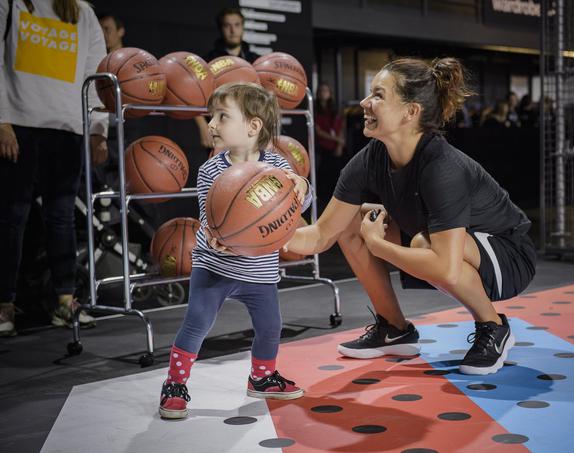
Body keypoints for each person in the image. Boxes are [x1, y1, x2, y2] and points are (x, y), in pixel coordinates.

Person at [284, 57, 536, 376]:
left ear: (410, 111)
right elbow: (321, 235)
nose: (364, 102)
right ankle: (394, 328)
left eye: (378, 95)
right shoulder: (370, 159)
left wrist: (379, 246)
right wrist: (264, 232)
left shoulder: (443, 167)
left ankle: (493, 326)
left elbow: (444, 264)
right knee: (350, 222)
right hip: (447, 246)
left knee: (421, 243)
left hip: (509, 255)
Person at [159, 82, 313, 419]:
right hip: (214, 267)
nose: (211, 124)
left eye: (222, 116)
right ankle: (175, 384)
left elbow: (300, 197)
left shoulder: (276, 168)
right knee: (197, 321)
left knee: (271, 326)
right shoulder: (210, 170)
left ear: (253, 126)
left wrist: (302, 184)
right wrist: (216, 237)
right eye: (212, 116)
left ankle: (262, 377)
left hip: (259, 272)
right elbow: (207, 216)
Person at [0, 0, 108, 336]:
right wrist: (1, 120)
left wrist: (98, 129)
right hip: (19, 123)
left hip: (66, 127)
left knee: (61, 218)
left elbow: (96, 73)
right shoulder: (11, 4)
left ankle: (65, 300)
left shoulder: (80, 10)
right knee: (11, 217)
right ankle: (4, 306)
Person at [196, 8, 260, 150]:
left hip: (249, 132)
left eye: (237, 25)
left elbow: (267, 97)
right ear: (221, 28)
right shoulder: (208, 60)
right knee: (221, 172)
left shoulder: (256, 60)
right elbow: (193, 96)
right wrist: (203, 125)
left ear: (242, 27)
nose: (233, 30)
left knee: (252, 172)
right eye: (227, 25)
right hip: (219, 131)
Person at [314, 81, 345, 204]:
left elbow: (341, 127)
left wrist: (340, 145)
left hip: (336, 148)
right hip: (323, 148)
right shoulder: (315, 110)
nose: (323, 93)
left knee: (338, 174)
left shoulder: (335, 110)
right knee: (323, 175)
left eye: (326, 91)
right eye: (321, 91)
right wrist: (338, 140)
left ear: (330, 94)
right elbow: (319, 132)